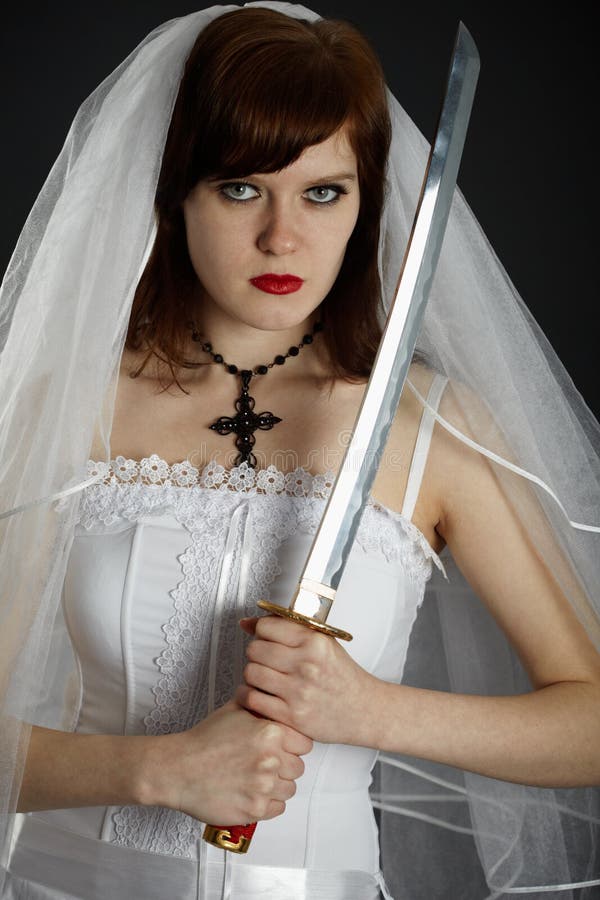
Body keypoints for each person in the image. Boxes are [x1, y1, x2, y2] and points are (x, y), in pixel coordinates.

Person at [1, 3, 599, 899]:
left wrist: (371, 711)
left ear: (363, 203)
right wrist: (153, 772)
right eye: (242, 188)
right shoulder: (64, 406)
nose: (284, 237)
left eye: (324, 192)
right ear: (175, 195)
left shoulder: (431, 427)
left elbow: (587, 724)